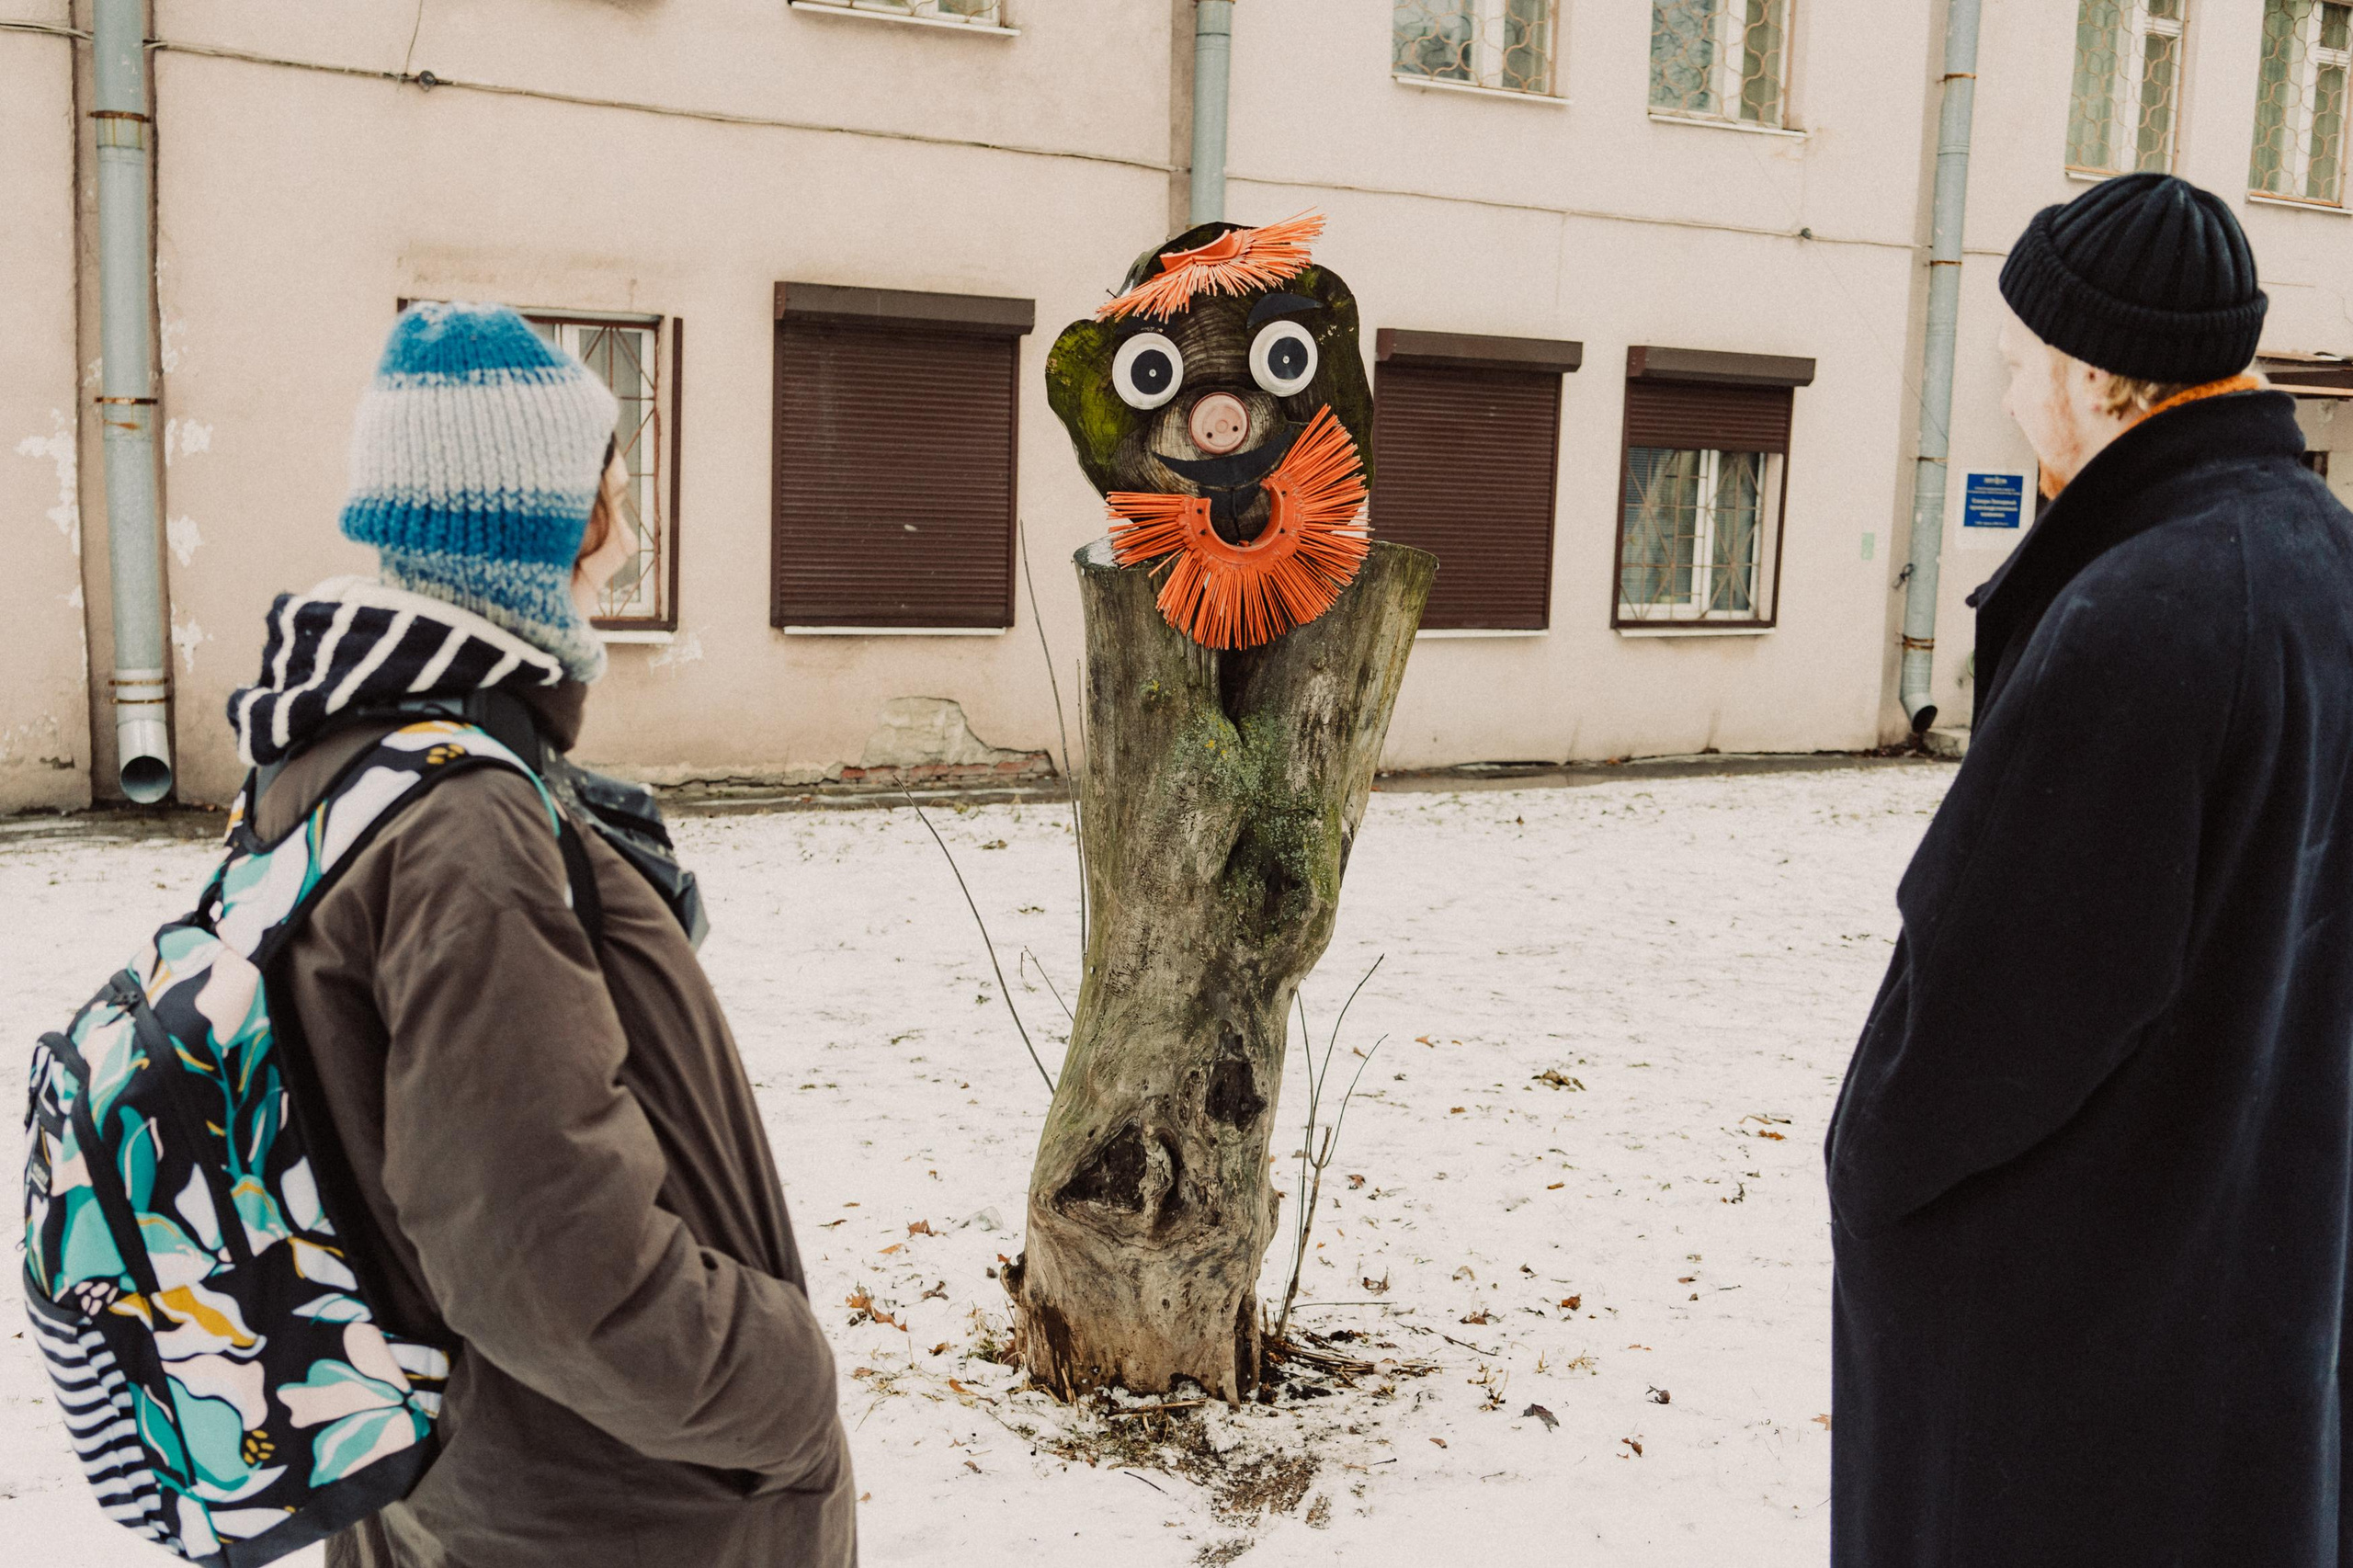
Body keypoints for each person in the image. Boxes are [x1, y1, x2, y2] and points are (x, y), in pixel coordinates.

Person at [223, 302, 855, 1567]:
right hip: (602, 1502)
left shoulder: (344, 764)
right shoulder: (465, 821)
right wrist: (783, 1392)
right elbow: (541, 1259)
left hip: (478, 1469)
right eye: (614, 482)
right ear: (576, 525)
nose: (627, 521)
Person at [1826, 172, 2353, 1563]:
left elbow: (1991, 1013)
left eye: (2020, 366)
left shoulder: (2142, 615)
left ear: (2103, 382)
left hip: (2081, 1323)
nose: (2012, 401)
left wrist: (1871, 1175)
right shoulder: (2327, 566)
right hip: (2268, 1261)